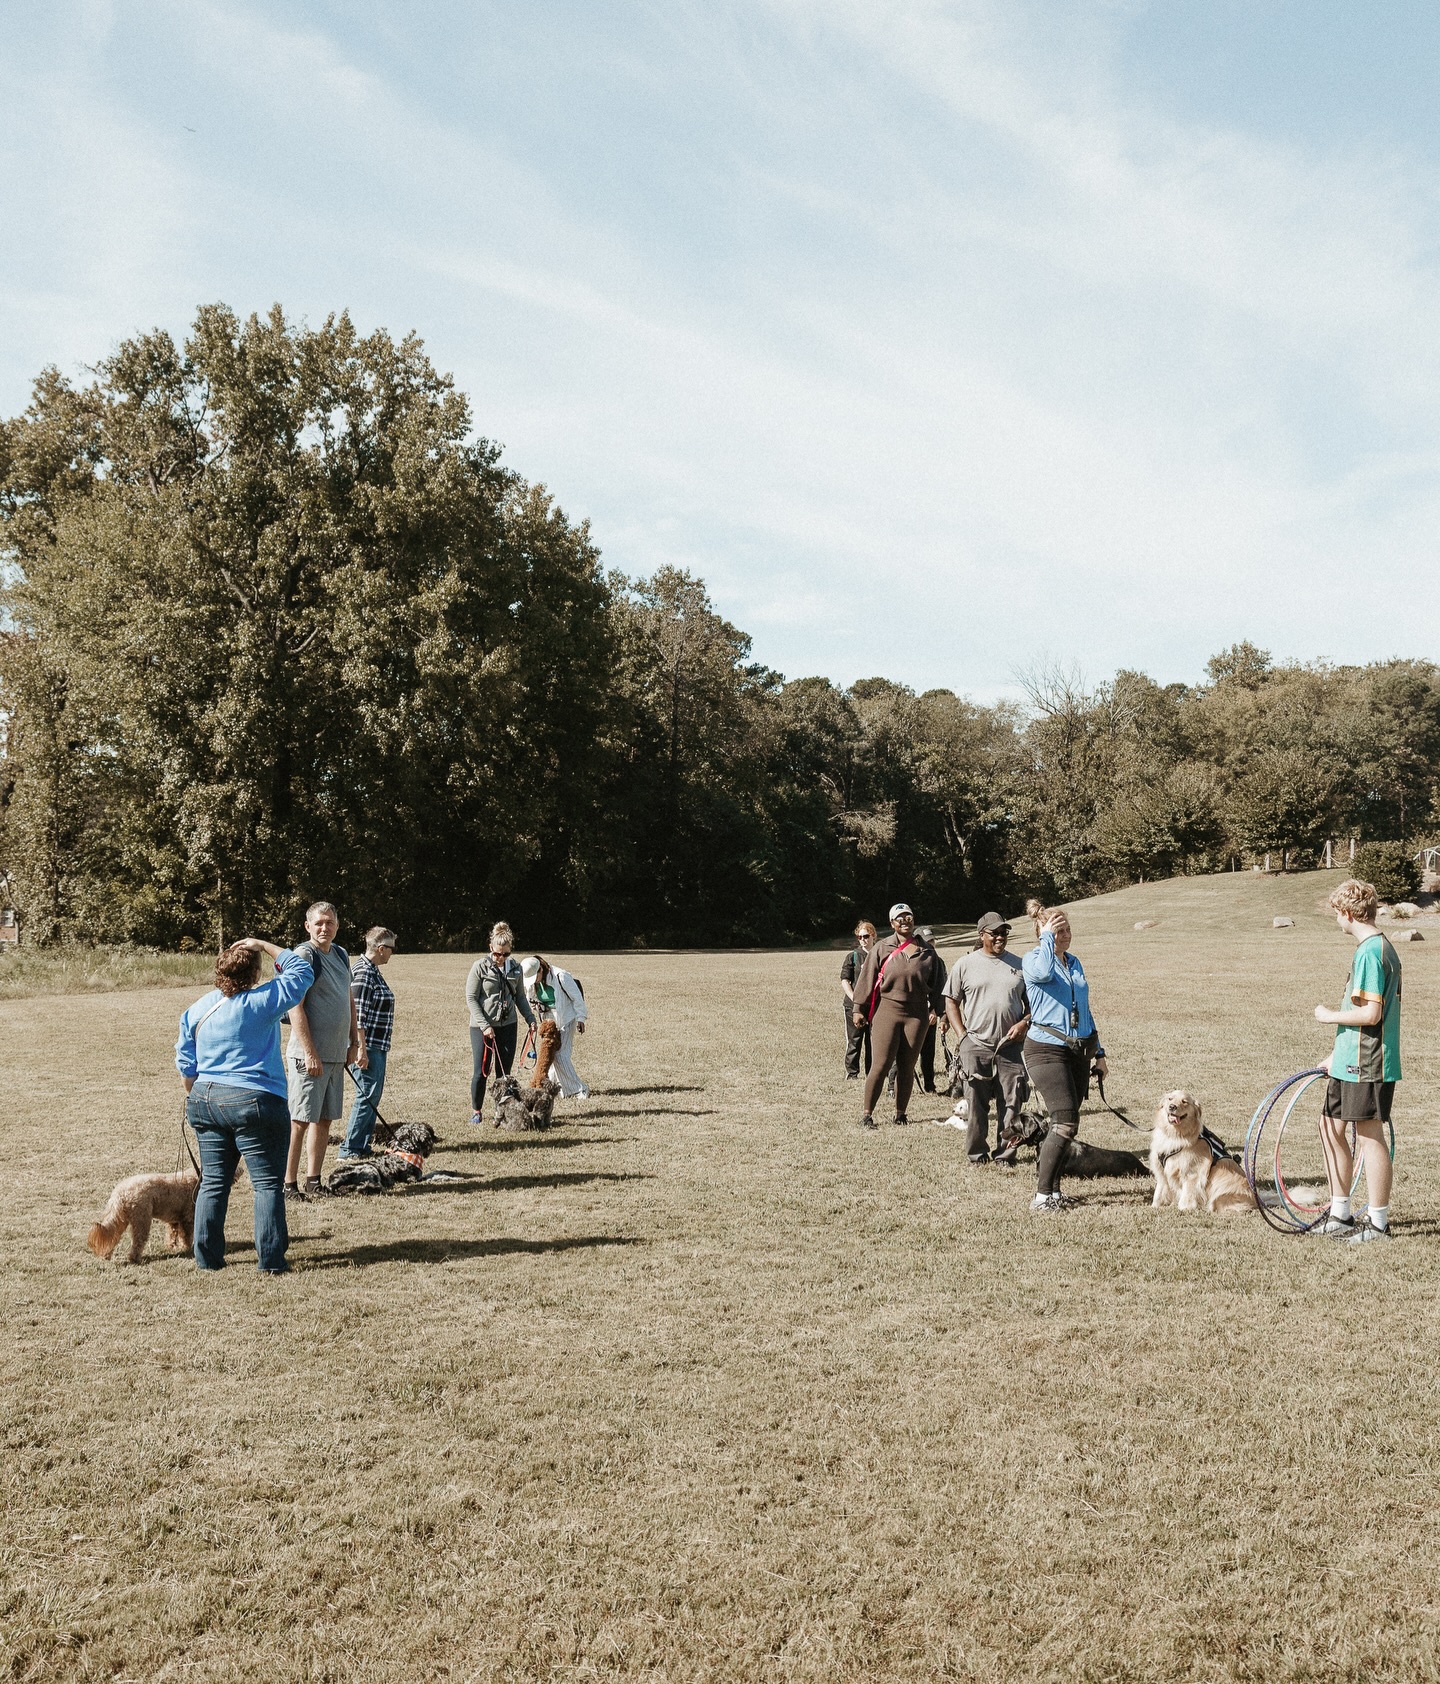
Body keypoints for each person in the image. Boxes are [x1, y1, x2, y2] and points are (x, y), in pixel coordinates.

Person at [175, 939, 315, 1273]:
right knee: (267, 1183)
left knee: (213, 1181)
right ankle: (270, 1261)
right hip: (255, 1099)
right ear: (254, 973)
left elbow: (185, 1063)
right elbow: (302, 969)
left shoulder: (198, 1008)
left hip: (205, 1098)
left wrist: (200, 1095)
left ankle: (207, 1259)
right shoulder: (262, 1000)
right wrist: (264, 945)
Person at [1311, 878, 1402, 1243]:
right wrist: (1337, 1052)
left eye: (1337, 914)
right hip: (1351, 1058)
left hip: (1369, 1062)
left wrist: (1327, 1015)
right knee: (1328, 1127)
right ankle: (1340, 1213)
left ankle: (1378, 1224)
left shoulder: (1370, 951)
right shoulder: (1373, 948)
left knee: (1369, 1136)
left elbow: (1371, 1015)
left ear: (1347, 914)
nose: (1337, 921)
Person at [1022, 906, 1107, 1212]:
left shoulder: (1074, 962)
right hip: (1045, 1049)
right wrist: (1046, 939)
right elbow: (1044, 973)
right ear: (1043, 934)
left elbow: (1084, 1008)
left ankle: (1055, 1192)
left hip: (1078, 1050)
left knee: (1066, 1122)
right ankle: (1042, 1196)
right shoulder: (1033, 960)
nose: (1065, 935)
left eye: (1067, 928)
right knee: (1066, 1121)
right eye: (1058, 930)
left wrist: (1099, 1053)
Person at [284, 902, 364, 1202]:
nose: (324, 928)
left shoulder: (342, 954)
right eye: (318, 923)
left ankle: (313, 1180)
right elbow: (295, 1006)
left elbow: (348, 1000)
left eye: (329, 922)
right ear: (308, 926)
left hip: (335, 1053)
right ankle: (288, 1184)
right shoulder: (305, 955)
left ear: (337, 925)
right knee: (300, 1119)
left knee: (325, 1119)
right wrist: (309, 1051)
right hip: (309, 1057)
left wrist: (354, 1041)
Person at [944, 911, 1031, 1164]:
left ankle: (1005, 1154)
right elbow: (951, 1001)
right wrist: (962, 1036)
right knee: (976, 1103)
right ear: (981, 935)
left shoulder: (1020, 964)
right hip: (976, 1044)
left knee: (1012, 1102)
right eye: (994, 933)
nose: (1000, 937)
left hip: (1010, 1046)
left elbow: (1033, 1005)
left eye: (1004, 932)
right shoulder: (965, 964)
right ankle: (977, 1154)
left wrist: (1024, 1023)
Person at [852, 903, 946, 1129]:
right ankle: (867, 1114)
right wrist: (858, 1008)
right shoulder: (882, 948)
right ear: (892, 923)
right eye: (899, 918)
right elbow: (866, 978)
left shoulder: (928, 952)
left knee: (907, 1064)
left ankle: (900, 1113)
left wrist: (939, 1011)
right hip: (887, 1011)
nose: (904, 921)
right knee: (881, 1063)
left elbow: (939, 985)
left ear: (913, 920)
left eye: (908, 917)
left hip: (916, 1014)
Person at [466, 921, 536, 1123]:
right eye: (497, 953)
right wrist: (485, 1025)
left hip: (508, 1025)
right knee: (481, 1071)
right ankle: (476, 1111)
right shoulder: (479, 967)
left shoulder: (515, 968)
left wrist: (530, 1019)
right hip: (482, 1027)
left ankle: (503, 1112)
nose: (500, 958)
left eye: (505, 954)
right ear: (491, 949)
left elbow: (520, 997)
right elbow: (471, 998)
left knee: (504, 1074)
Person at [339, 927, 397, 1161]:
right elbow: (358, 1017)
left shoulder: (372, 970)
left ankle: (362, 1145)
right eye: (391, 948)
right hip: (368, 1046)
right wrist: (361, 1049)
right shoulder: (362, 973)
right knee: (366, 1096)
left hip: (377, 1045)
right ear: (381, 949)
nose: (393, 953)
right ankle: (349, 1149)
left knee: (371, 1096)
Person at [525, 954, 591, 1098]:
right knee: (551, 1055)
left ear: (540, 969)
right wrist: (535, 1006)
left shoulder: (561, 976)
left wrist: (581, 1018)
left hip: (566, 1017)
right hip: (548, 1019)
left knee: (560, 1056)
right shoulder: (532, 981)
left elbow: (576, 997)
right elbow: (530, 998)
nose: (533, 981)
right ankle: (556, 1088)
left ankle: (579, 1089)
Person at [839, 921, 876, 1079]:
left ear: (873, 935)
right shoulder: (853, 956)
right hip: (853, 1006)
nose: (863, 939)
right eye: (860, 937)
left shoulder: (880, 954)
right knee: (854, 1040)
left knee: (873, 1041)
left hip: (875, 1006)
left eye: (866, 936)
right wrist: (856, 999)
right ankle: (852, 1073)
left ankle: (871, 1072)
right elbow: (845, 980)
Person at [916, 927, 941, 1092]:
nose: (930, 944)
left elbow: (941, 989)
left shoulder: (938, 962)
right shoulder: (910, 960)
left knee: (928, 1051)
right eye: (926, 941)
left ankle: (929, 1085)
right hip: (911, 1012)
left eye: (932, 941)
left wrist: (935, 1011)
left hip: (929, 1013)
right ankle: (893, 1086)